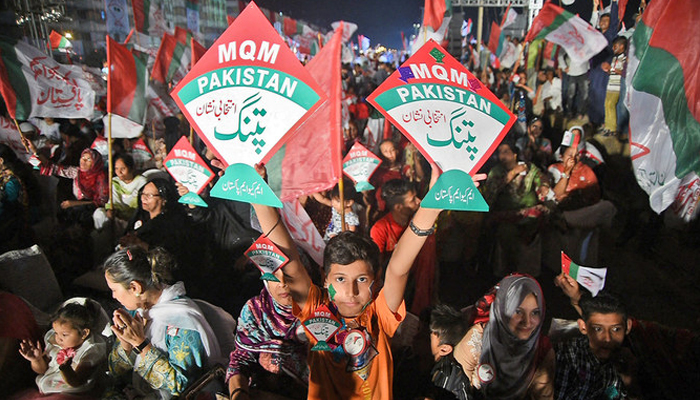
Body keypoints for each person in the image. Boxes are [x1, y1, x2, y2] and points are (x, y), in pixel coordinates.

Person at [250, 163, 454, 399]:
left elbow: (398, 269)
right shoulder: (315, 309)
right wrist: (258, 196)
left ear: (376, 281)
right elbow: (289, 261)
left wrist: (430, 208)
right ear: (325, 280)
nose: (351, 291)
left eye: (361, 279)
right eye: (340, 279)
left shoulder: (379, 315)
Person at [103, 246, 224, 399]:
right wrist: (125, 344)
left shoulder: (181, 320)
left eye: (114, 290)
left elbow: (183, 386)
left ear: (135, 287)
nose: (113, 296)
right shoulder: (137, 312)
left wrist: (140, 344)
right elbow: (115, 371)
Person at [452, 274, 554, 400]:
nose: (527, 322)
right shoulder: (477, 341)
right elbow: (453, 392)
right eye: (518, 311)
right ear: (502, 310)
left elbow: (543, 396)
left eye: (535, 312)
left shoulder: (542, 350)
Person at [226, 269, 309, 400]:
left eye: (289, 273)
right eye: (274, 274)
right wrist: (239, 394)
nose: (282, 283)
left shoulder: (326, 314)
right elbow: (241, 361)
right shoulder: (255, 311)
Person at [551, 287, 634, 400]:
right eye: (598, 329)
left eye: (616, 330)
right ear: (583, 327)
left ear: (628, 326)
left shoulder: (623, 361)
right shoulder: (569, 356)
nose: (607, 339)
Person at [370, 178, 436, 314]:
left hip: (418, 283)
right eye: (412, 200)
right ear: (399, 207)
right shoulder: (380, 228)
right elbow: (376, 267)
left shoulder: (419, 224)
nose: (418, 201)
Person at [483, 142, 548, 276]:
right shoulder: (496, 171)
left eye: (506, 152)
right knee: (506, 230)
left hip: (528, 212)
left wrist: (544, 185)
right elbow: (490, 192)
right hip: (506, 214)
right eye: (500, 152)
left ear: (515, 154)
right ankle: (505, 273)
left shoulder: (529, 168)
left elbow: (541, 178)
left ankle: (528, 273)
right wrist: (512, 174)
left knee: (536, 218)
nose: (502, 156)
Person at [18, 300, 107, 398]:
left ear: (84, 333)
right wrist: (36, 359)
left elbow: (77, 382)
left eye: (64, 335)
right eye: (56, 332)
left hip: (73, 394)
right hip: (48, 389)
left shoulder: (90, 351)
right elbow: (42, 370)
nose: (58, 338)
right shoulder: (55, 343)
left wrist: (66, 369)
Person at [27, 141, 108, 230]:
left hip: (90, 211)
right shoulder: (77, 172)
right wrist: (35, 151)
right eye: (83, 157)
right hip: (75, 206)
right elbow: (56, 168)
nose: (83, 161)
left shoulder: (101, 179)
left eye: (89, 159)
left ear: (95, 163)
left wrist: (74, 204)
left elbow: (101, 202)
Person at [0, 143, 40, 251]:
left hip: (17, 219)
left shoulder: (13, 180)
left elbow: (8, 205)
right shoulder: (6, 173)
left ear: (1, 161)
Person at [428, 305, 472, 400]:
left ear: (444, 349)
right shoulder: (405, 358)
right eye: (418, 329)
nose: (415, 336)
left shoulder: (454, 379)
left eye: (424, 337)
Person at [549, 145, 601, 210]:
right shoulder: (555, 169)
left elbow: (594, 193)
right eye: (570, 156)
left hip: (584, 208)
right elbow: (556, 194)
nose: (573, 158)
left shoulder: (585, 169)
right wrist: (567, 172)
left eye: (577, 155)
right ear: (561, 157)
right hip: (564, 210)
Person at [603, 36, 627, 135]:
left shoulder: (624, 58)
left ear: (621, 46)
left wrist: (611, 69)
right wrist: (607, 70)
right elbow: (612, 72)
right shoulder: (614, 58)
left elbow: (623, 71)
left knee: (611, 105)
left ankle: (612, 128)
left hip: (617, 87)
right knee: (607, 104)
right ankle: (607, 126)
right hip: (610, 85)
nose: (613, 48)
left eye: (615, 46)